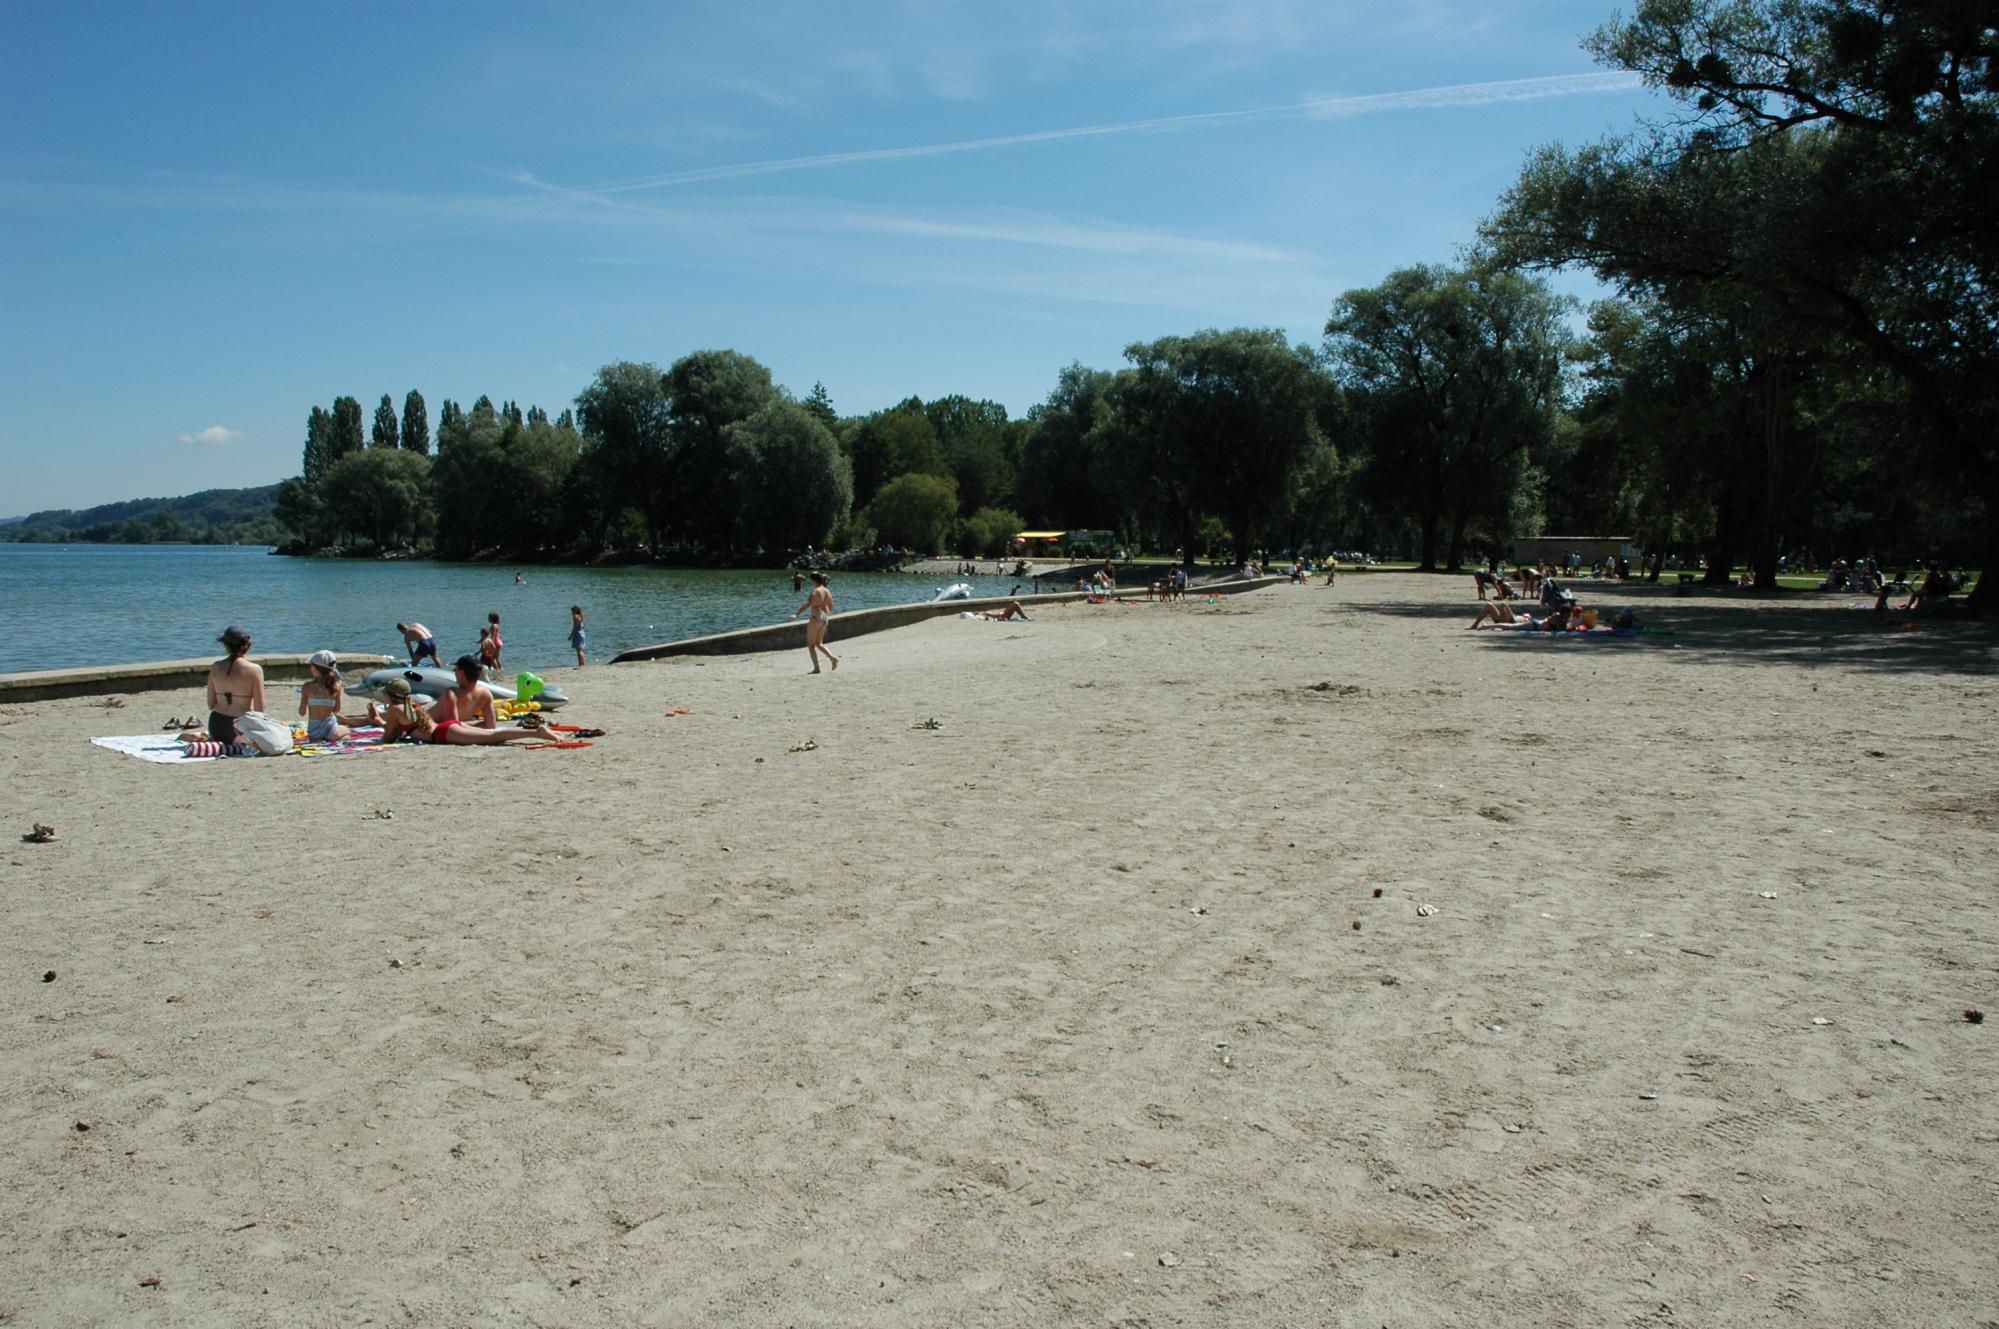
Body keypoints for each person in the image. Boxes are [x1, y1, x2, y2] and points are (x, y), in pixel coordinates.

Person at [383, 658, 561, 746]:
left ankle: (537, 732)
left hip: (443, 732)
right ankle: (534, 731)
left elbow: (386, 738)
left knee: (493, 738)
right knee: (493, 735)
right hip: (446, 729)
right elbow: (491, 725)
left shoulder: (398, 710)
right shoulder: (485, 693)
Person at [203, 625, 265, 744]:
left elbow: (211, 704)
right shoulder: (255, 670)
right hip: (240, 726)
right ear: (247, 646)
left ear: (226, 646)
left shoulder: (215, 667)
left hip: (216, 725)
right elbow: (260, 709)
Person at [297, 649, 352, 744]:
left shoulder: (306, 687)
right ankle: (333, 739)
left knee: (316, 738)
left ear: (315, 669)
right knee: (347, 731)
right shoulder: (337, 687)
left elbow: (302, 712)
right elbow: (336, 710)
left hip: (314, 730)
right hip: (331, 728)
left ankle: (318, 740)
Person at [791, 571, 839, 673]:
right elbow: (831, 607)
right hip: (825, 618)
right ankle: (832, 658)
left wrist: (796, 614)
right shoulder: (827, 591)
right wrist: (823, 614)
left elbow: (807, 604)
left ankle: (817, 668)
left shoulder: (815, 591)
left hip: (815, 618)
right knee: (819, 643)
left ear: (813, 580)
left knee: (811, 645)